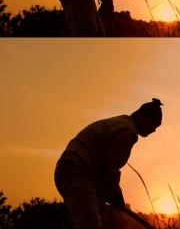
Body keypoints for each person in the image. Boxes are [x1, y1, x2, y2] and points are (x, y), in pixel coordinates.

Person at [54, 98, 163, 229]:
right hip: (76, 171)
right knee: (89, 224)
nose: (154, 130)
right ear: (144, 117)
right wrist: (116, 196)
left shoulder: (121, 123)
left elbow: (103, 167)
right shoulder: (127, 131)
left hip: (77, 171)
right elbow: (110, 169)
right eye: (153, 125)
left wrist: (112, 196)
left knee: (104, 219)